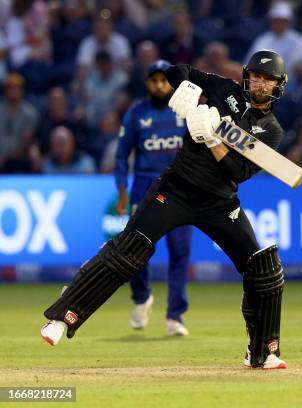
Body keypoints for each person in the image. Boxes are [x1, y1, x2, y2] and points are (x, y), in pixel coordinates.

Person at [40, 50, 289, 370]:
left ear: (278, 85)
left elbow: (237, 172)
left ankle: (263, 351)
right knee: (127, 251)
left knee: (262, 268)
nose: (260, 83)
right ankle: (63, 318)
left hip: (220, 203)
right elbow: (176, 70)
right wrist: (188, 93)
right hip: (175, 190)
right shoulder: (221, 90)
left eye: (268, 79)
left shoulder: (270, 130)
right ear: (246, 75)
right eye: (256, 75)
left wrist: (212, 136)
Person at [114, 60, 192, 337]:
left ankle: (175, 316)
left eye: (164, 80)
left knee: (180, 252)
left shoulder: (185, 111)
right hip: (146, 183)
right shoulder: (136, 113)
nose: (159, 85)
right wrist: (122, 191)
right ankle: (141, 297)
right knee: (135, 249)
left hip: (180, 185)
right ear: (147, 83)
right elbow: (122, 154)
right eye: (154, 80)